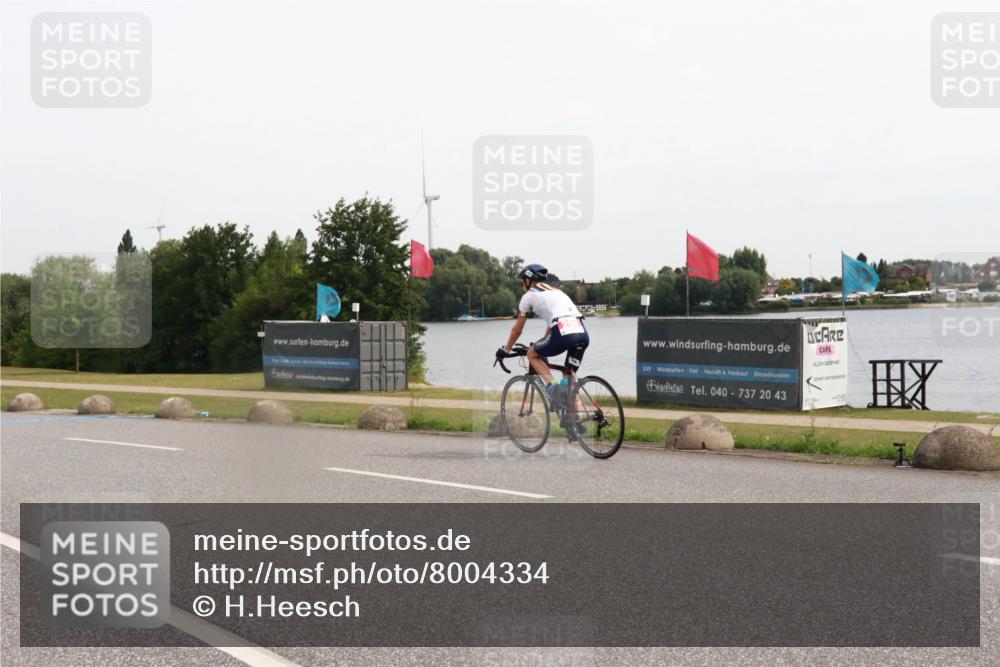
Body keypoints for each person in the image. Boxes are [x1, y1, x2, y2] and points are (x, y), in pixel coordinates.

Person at [497, 263, 589, 403]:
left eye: (523, 280)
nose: (523, 284)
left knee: (531, 354)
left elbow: (517, 330)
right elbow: (552, 324)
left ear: (528, 280)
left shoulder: (528, 296)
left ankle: (553, 387)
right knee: (569, 379)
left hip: (563, 334)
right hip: (582, 333)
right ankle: (576, 420)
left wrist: (506, 349)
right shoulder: (558, 292)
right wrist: (543, 341)